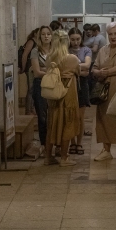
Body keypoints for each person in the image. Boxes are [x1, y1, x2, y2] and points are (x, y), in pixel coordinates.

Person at [92, 22, 116, 161]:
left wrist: (107, 72)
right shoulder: (103, 50)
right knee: (104, 120)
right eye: (110, 34)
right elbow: (94, 68)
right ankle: (106, 150)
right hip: (104, 91)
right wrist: (97, 73)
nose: (113, 37)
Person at [44, 30, 81, 167]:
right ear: (67, 42)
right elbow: (79, 71)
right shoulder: (72, 58)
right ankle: (64, 158)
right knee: (68, 124)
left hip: (53, 94)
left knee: (52, 124)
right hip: (68, 93)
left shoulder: (49, 58)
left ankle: (48, 158)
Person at [69, 27, 92, 154]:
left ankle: (79, 143)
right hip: (69, 84)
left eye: (77, 39)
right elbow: (63, 68)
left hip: (82, 85)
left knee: (80, 116)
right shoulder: (66, 50)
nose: (75, 42)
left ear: (81, 38)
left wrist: (72, 68)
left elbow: (87, 66)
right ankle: (72, 142)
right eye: (72, 39)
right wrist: (80, 70)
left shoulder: (86, 50)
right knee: (71, 115)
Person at [29, 25, 53, 150]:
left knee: (54, 115)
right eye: (43, 34)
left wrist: (45, 69)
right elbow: (37, 72)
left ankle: (55, 143)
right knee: (42, 116)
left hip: (54, 85)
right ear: (39, 36)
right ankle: (44, 144)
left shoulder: (55, 50)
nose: (46, 36)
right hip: (40, 85)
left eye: (48, 34)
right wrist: (52, 71)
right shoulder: (35, 51)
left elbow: (61, 67)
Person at [20, 27, 39, 115]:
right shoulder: (31, 41)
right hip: (29, 68)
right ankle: (28, 110)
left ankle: (31, 108)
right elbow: (25, 55)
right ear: (35, 33)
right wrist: (23, 68)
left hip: (34, 67)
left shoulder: (38, 42)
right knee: (31, 89)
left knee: (34, 89)